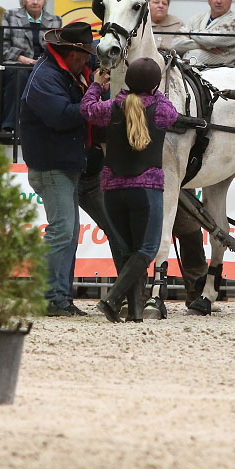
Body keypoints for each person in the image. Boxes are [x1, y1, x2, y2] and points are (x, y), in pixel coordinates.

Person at [81, 57, 178, 323]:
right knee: (145, 250)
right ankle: (112, 298)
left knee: (127, 251)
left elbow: (87, 109)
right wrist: (156, 91)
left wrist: (97, 86)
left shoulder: (112, 106)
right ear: (155, 85)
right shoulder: (161, 108)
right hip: (146, 189)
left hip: (113, 188)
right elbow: (174, 114)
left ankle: (135, 313)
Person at [18, 22, 103, 317]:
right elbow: (62, 117)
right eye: (84, 55)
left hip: (60, 164)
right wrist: (94, 93)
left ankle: (59, 297)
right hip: (53, 165)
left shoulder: (55, 71)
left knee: (66, 232)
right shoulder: (47, 77)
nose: (88, 60)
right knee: (62, 232)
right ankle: (49, 297)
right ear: (71, 53)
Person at [0, 0, 62, 131]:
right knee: (20, 75)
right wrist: (21, 58)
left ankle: (45, 126)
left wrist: (42, 61)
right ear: (23, 0)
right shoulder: (11, 16)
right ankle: (11, 125)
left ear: (44, 0)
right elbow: (1, 46)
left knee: (48, 77)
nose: (35, 2)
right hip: (17, 63)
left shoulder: (55, 20)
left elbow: (58, 49)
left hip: (44, 64)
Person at [172, 0, 235, 65]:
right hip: (193, 69)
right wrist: (202, 46)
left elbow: (213, 39)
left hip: (223, 69)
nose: (219, 1)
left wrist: (191, 34)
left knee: (194, 56)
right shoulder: (196, 19)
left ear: (230, 0)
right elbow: (175, 44)